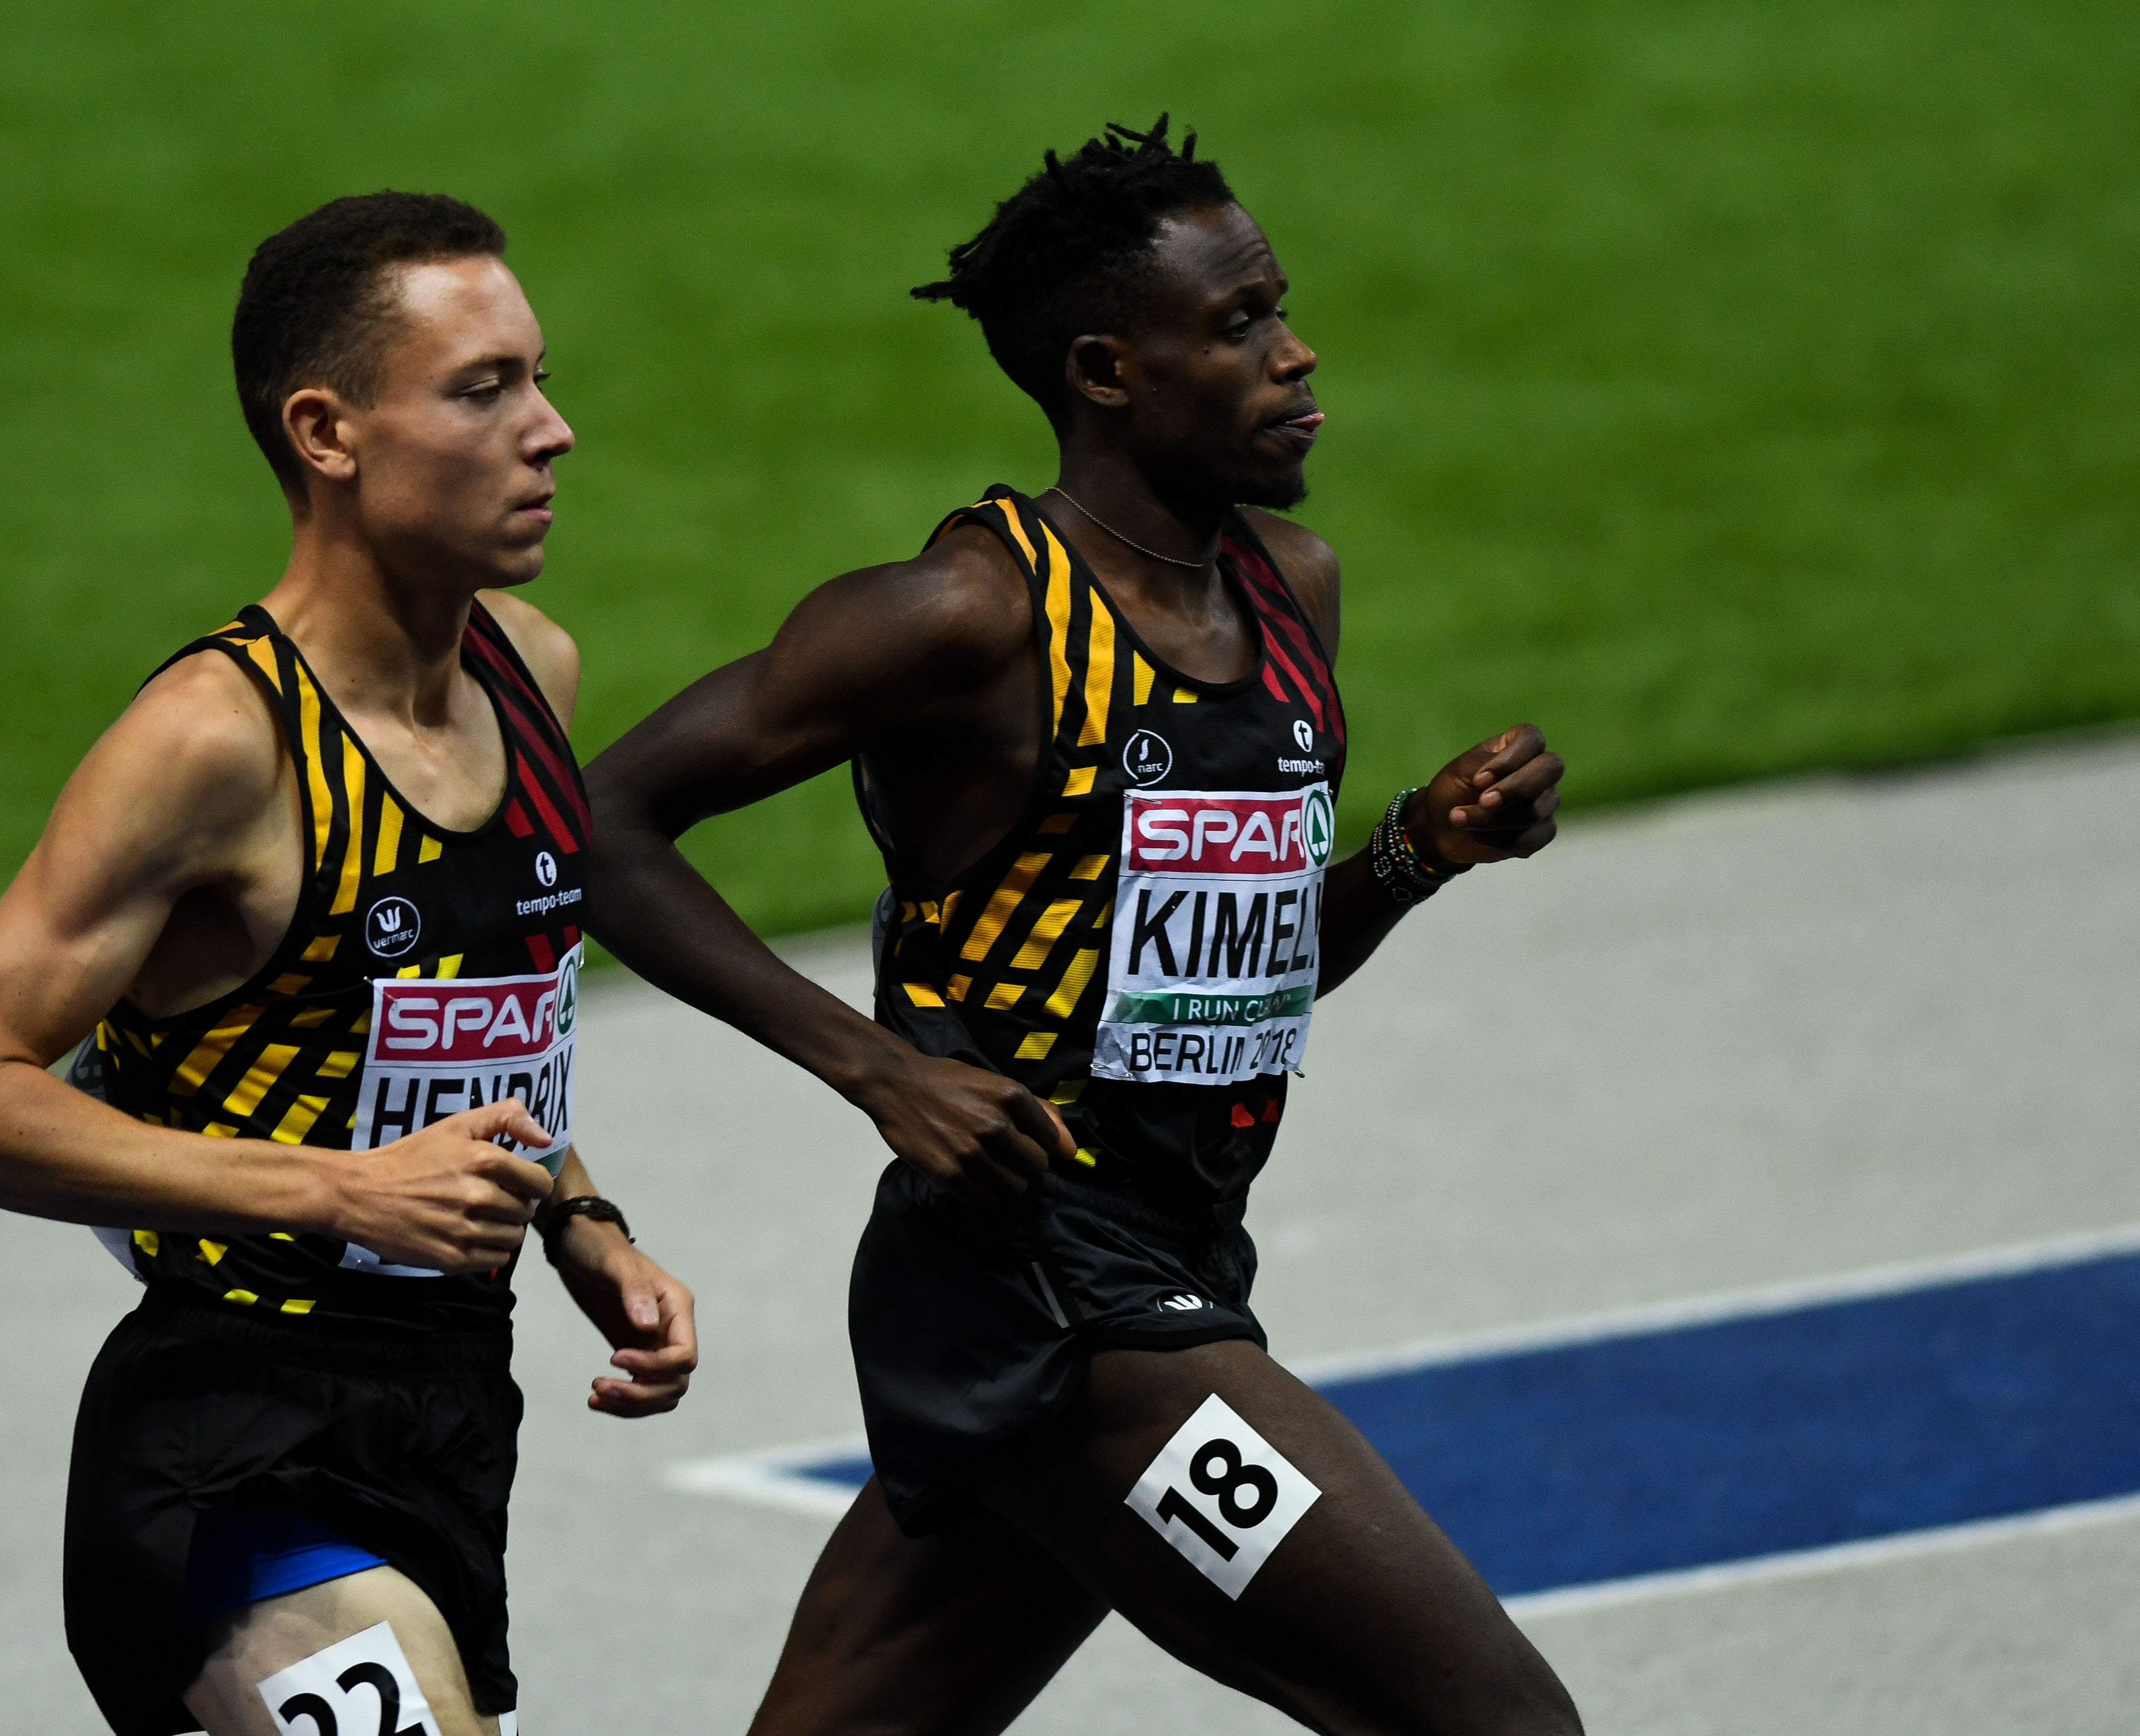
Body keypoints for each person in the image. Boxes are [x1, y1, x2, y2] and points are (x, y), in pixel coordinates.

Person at [584, 120, 1577, 1733]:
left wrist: (1412, 855)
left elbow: (1225, 978)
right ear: (1111, 371)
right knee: (1497, 1723)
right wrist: (877, 1068)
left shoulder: (1292, 592)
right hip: (1052, 1294)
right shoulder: (968, 616)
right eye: (1244, 321)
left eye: (1282, 308)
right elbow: (598, 824)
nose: (1297, 351)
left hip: (1170, 1257)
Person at [0, 191, 697, 1736]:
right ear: (327, 431)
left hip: (448, 1426)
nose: (553, 429)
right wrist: (332, 1189)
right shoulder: (216, 742)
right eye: (484, 388)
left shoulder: (531, 671)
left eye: (538, 374)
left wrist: (585, 1225)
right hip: (229, 1447)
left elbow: (455, 1031)